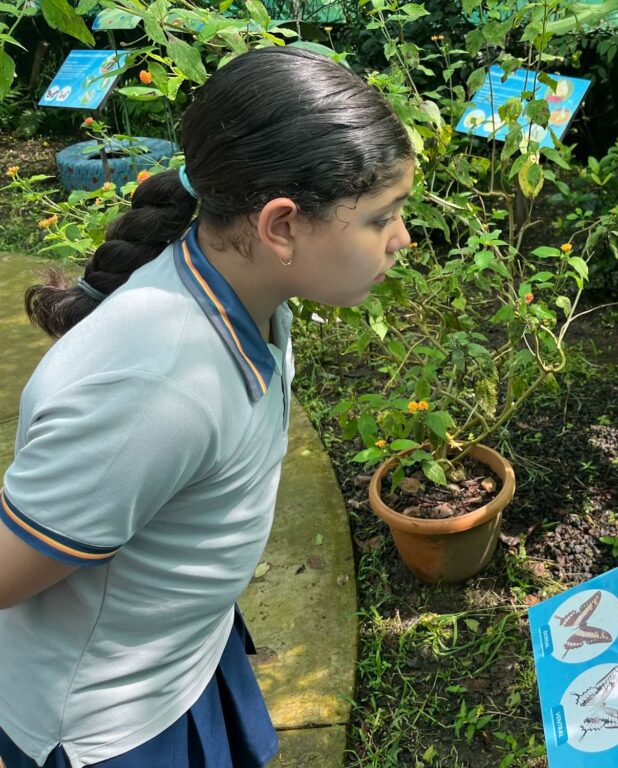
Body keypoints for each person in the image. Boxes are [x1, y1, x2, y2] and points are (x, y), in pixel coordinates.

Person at [0, 46, 414, 767]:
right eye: (383, 218)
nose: (402, 240)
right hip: (112, 726)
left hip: (179, 659)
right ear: (281, 226)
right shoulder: (153, 386)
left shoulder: (251, 292)